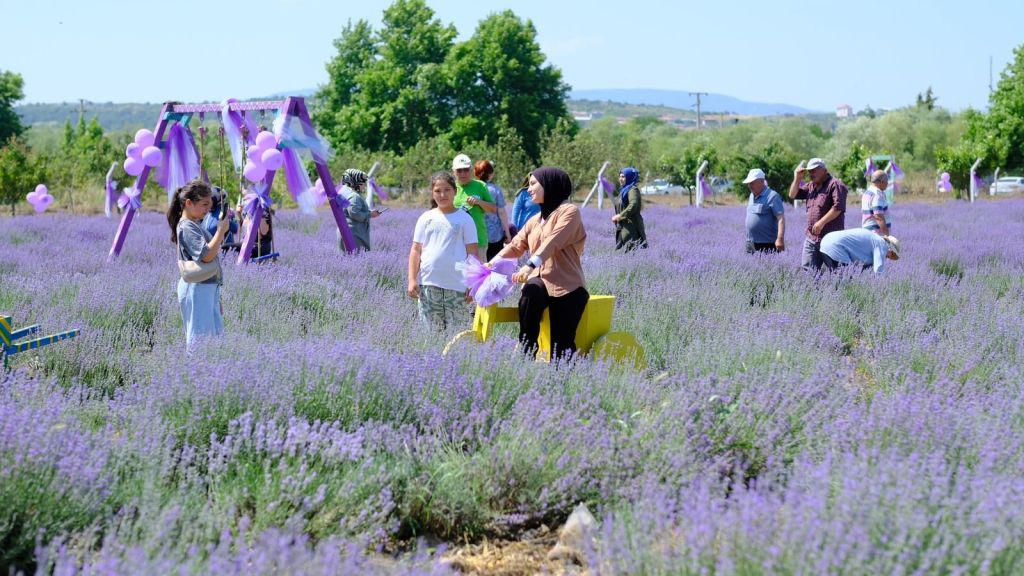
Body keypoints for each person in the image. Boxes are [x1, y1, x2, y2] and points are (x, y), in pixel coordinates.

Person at [493, 167, 588, 361]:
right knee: (530, 291)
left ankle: (563, 379)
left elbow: (553, 241)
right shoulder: (534, 220)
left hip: (567, 286)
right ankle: (525, 354)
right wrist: (491, 264)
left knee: (561, 347)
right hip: (541, 280)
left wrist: (529, 265)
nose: (529, 189)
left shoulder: (569, 212)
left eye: (533, 184)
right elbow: (515, 245)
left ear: (549, 184)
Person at [408, 171, 479, 332]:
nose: (442, 194)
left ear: (455, 191)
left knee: (457, 334)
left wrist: (473, 283)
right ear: (432, 194)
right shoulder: (426, 218)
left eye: (447, 190)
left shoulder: (465, 219)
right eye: (438, 191)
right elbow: (416, 250)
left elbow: (473, 253)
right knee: (431, 335)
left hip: (457, 287)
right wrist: (412, 279)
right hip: (429, 285)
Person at [166, 180, 229, 348]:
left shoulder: (194, 225)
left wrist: (217, 298)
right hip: (197, 289)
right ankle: (196, 373)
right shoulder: (187, 227)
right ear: (188, 203)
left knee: (212, 340)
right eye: (204, 204)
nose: (208, 209)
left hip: (205, 288)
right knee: (200, 342)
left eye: (210, 204)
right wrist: (221, 231)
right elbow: (206, 256)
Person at [789, 157, 848, 271]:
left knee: (837, 272)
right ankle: (812, 289)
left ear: (824, 170)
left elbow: (838, 208)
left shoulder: (835, 185)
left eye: (814, 170)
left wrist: (821, 222)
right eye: (810, 171)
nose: (811, 173)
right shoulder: (811, 186)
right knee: (808, 272)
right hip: (812, 237)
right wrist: (797, 178)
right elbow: (792, 195)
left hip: (831, 238)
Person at [451, 153, 496, 262]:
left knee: (478, 277)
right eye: (459, 170)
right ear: (453, 172)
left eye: (466, 170)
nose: (463, 173)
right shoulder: (449, 187)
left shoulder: (480, 186)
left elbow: (493, 209)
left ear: (471, 170)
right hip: (455, 242)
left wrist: (479, 202)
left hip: (478, 241)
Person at [338, 168, 383, 251]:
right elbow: (355, 214)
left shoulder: (344, 192)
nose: (365, 186)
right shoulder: (354, 196)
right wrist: (370, 214)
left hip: (346, 232)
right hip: (354, 234)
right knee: (356, 258)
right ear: (356, 183)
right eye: (363, 183)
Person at [475, 160, 512, 261]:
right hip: (495, 234)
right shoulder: (495, 190)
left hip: (477, 234)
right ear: (490, 174)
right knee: (495, 264)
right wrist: (507, 233)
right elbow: (502, 212)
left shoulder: (473, 189)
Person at [819, 228, 901, 274]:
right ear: (890, 249)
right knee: (847, 278)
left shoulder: (874, 239)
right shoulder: (882, 244)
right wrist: (884, 287)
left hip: (826, 242)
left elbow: (863, 264)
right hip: (836, 246)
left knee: (836, 279)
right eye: (892, 255)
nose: (889, 258)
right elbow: (878, 269)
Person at [743, 168, 785, 253]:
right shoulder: (751, 195)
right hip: (750, 242)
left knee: (768, 266)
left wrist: (780, 239)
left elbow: (781, 219)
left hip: (767, 244)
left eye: (752, 183)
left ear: (762, 182)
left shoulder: (773, 196)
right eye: (749, 183)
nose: (750, 185)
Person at [612, 167, 648, 251]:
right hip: (623, 227)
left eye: (623, 177)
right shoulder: (624, 190)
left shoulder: (632, 190)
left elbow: (633, 205)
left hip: (631, 228)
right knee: (621, 255)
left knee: (630, 254)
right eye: (620, 176)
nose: (620, 179)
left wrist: (620, 216)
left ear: (629, 177)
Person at [201, 186, 239, 250]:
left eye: (209, 200)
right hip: (209, 251)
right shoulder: (207, 214)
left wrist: (228, 220)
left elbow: (235, 228)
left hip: (225, 252)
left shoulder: (225, 213)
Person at [862, 170, 892, 236]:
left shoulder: (867, 192)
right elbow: (878, 216)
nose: (887, 183)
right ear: (882, 182)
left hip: (867, 232)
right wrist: (887, 235)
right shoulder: (877, 194)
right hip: (877, 234)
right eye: (887, 181)